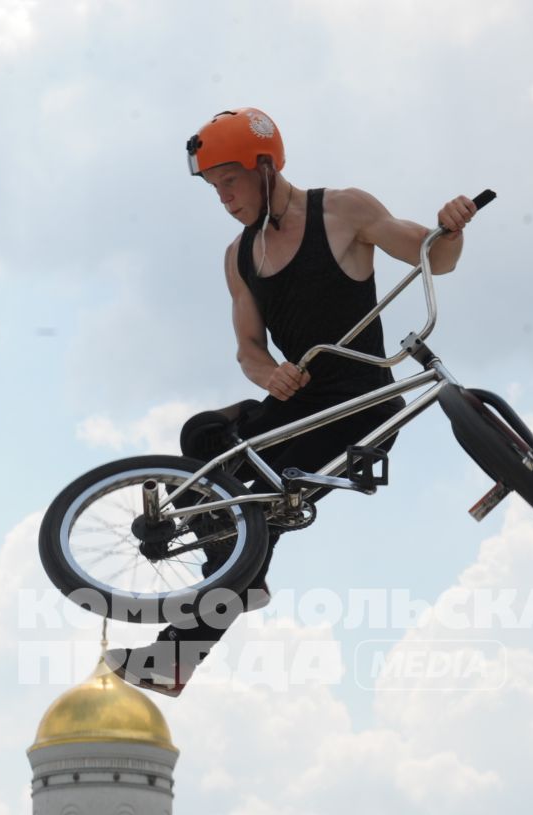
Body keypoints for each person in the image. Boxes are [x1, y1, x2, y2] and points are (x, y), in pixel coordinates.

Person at [104, 107, 481, 697]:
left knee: (254, 485)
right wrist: (270, 373)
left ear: (264, 165)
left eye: (230, 181)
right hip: (298, 403)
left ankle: (213, 604)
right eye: (213, 188)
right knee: (205, 438)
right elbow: (248, 350)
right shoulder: (239, 258)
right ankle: (228, 587)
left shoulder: (343, 211)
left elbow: (434, 257)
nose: (224, 198)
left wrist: (451, 228)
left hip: (357, 399)